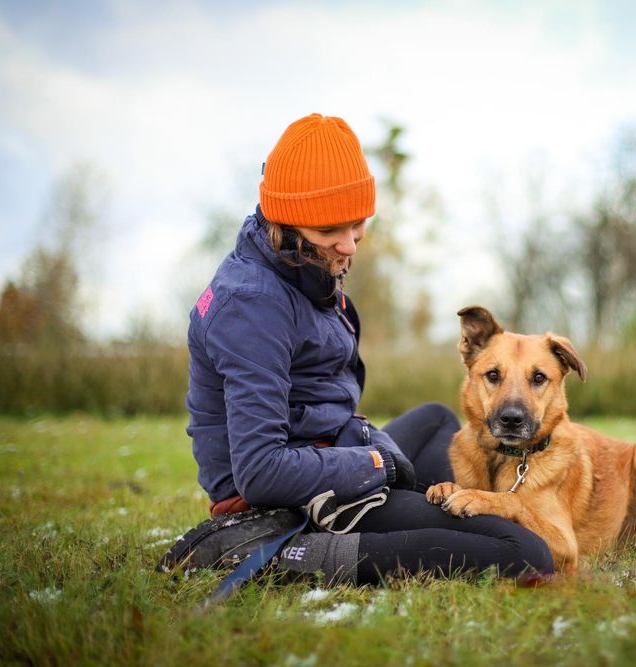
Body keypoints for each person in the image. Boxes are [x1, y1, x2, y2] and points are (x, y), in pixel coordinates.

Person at [166, 113, 553, 586]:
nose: (349, 244)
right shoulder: (251, 306)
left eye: (358, 224)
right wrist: (373, 463)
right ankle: (290, 552)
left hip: (331, 453)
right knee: (525, 551)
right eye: (333, 228)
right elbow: (261, 472)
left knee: (436, 420)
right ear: (288, 221)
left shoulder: (302, 266)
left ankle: (424, 507)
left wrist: (375, 451)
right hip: (286, 501)